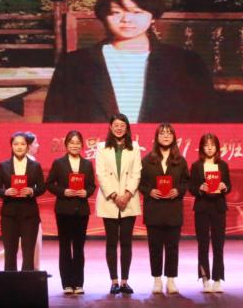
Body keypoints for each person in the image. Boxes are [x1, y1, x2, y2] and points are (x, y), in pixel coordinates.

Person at [44, 0, 215, 124]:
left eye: (137, 12)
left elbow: (205, 114)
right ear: (103, 17)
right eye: (116, 12)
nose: (126, 19)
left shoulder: (185, 62)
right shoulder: (75, 63)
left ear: (153, 17)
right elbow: (55, 117)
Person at [139, 123, 189, 295]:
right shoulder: (147, 160)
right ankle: (157, 280)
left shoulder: (180, 160)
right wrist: (150, 191)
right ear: (157, 137)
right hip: (154, 210)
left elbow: (186, 182)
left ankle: (171, 280)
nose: (166, 136)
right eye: (162, 133)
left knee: (172, 247)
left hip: (173, 210)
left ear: (174, 137)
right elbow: (141, 183)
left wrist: (178, 190)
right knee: (155, 247)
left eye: (169, 133)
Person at [95, 113, 142, 295]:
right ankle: (114, 281)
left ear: (127, 128)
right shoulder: (102, 147)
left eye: (122, 125)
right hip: (110, 200)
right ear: (110, 127)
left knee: (126, 242)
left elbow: (137, 173)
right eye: (116, 125)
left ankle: (124, 282)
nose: (119, 128)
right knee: (111, 242)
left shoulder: (135, 147)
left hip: (129, 200)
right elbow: (101, 174)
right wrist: (115, 196)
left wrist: (127, 194)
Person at [45, 130, 96, 295]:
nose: (75, 145)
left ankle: (78, 283)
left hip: (81, 211)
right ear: (66, 145)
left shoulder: (87, 164)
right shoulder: (58, 163)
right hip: (64, 210)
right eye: (71, 143)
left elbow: (92, 186)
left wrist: (86, 192)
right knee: (65, 247)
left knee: (79, 248)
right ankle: (67, 283)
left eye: (77, 143)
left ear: (82, 145)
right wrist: (63, 191)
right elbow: (49, 184)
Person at [0, 131, 46, 271]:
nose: (19, 147)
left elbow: (42, 188)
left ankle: (26, 283)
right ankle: (10, 283)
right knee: (10, 253)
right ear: (11, 146)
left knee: (28, 254)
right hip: (9, 215)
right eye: (16, 144)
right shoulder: (4, 166)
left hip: (30, 215)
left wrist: (32, 191)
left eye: (22, 144)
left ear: (27, 146)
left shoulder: (35, 166)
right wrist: (5, 192)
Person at [188, 132, 231, 293]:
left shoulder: (223, 165)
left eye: (212, 145)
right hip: (202, 208)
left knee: (219, 245)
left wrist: (224, 187)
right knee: (203, 245)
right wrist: (199, 188)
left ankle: (217, 279)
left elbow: (229, 185)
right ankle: (205, 278)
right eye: (206, 145)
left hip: (219, 208)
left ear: (217, 148)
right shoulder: (196, 166)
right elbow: (191, 187)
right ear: (201, 148)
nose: (210, 148)